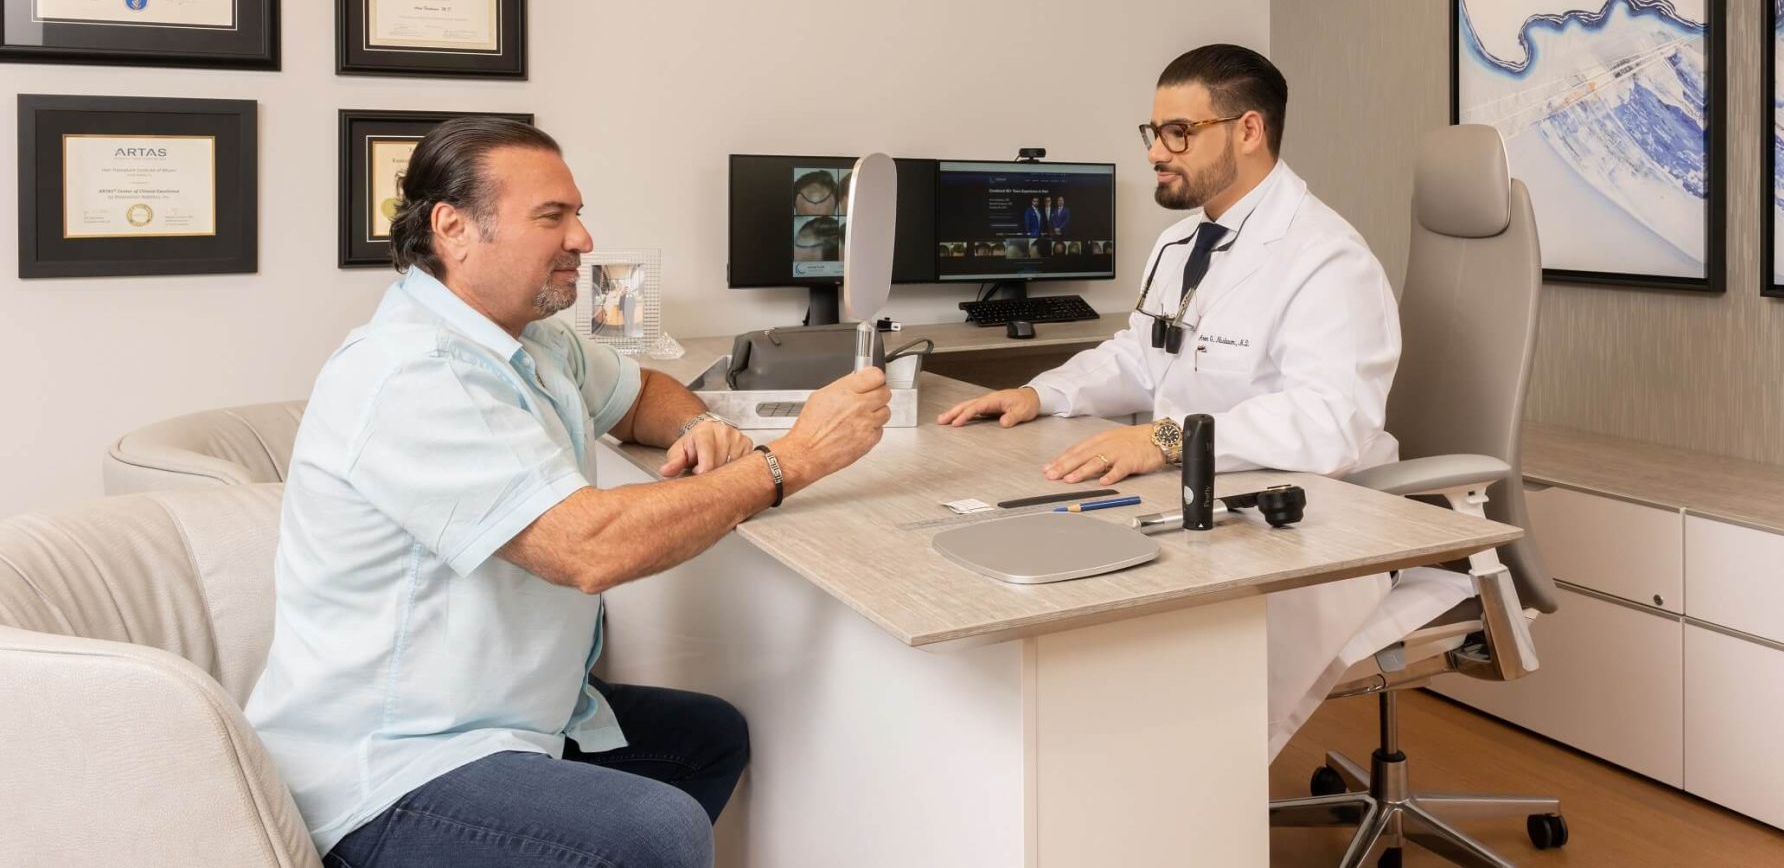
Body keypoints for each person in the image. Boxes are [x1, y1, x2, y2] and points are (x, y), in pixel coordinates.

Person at [247, 117, 894, 868]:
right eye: (552, 217)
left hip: (512, 720)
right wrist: (792, 461)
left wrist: (696, 427)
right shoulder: (415, 374)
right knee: (651, 830)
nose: (583, 239)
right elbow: (587, 547)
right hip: (392, 768)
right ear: (454, 229)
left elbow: (640, 391)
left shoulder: (525, 337)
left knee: (707, 740)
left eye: (577, 213)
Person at [938, 45, 1402, 759]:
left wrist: (1163, 440)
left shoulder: (1326, 258)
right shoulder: (1183, 239)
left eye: (1178, 132)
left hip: (1310, 517)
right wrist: (1041, 392)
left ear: (1248, 131)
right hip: (1201, 493)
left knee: (1174, 703)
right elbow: (1140, 353)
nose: (1157, 151)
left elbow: (1330, 422)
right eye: (1152, 133)